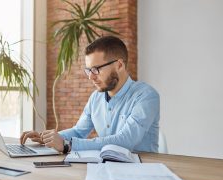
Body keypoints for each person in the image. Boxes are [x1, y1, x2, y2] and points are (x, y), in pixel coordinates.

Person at [20, 35, 160, 153]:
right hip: (105, 169)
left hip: (141, 173)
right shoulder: (96, 98)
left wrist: (68, 145)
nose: (91, 77)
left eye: (96, 69)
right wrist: (48, 138)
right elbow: (79, 131)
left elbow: (126, 140)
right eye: (89, 70)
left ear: (119, 65)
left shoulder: (146, 96)